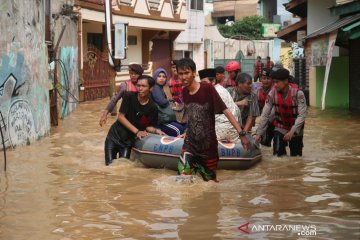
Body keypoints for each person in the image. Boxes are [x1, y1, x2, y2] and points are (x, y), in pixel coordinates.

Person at [176, 58, 250, 182]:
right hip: (190, 144)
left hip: (208, 146)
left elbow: (226, 111)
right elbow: (191, 117)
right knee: (182, 179)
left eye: (186, 73)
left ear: (194, 73)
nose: (183, 77)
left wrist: (241, 133)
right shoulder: (184, 92)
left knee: (210, 184)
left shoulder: (207, 89)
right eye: (181, 74)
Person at [104, 75, 163, 165]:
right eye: (138, 85)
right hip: (114, 137)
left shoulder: (152, 108)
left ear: (151, 88)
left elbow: (147, 126)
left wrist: (156, 131)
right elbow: (121, 117)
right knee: (109, 166)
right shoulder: (129, 96)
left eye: (143, 86)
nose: (140, 88)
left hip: (128, 142)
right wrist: (137, 132)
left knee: (123, 167)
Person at [255, 68, 307, 157]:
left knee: (296, 157)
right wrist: (259, 133)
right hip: (280, 127)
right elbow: (265, 114)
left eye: (277, 82)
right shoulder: (272, 94)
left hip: (296, 129)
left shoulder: (298, 94)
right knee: (278, 156)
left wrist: (292, 131)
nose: (275, 85)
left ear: (286, 81)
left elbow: (302, 115)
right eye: (274, 82)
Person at [199, 68, 242, 142]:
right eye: (201, 83)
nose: (202, 86)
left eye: (204, 83)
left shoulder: (213, 92)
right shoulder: (221, 89)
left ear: (213, 82)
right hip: (233, 130)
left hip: (222, 130)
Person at [152, 67, 186, 137]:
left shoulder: (160, 87)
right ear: (155, 77)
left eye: (164, 77)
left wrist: (171, 101)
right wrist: (170, 102)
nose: (161, 78)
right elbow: (162, 102)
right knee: (178, 130)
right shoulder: (155, 88)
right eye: (159, 76)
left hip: (165, 116)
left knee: (184, 126)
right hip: (161, 119)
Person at [256, 68, 275, 147]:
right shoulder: (258, 91)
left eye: (268, 79)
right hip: (262, 118)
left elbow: (273, 112)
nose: (266, 81)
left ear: (272, 80)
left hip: (272, 119)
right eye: (264, 78)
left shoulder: (275, 91)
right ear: (260, 79)